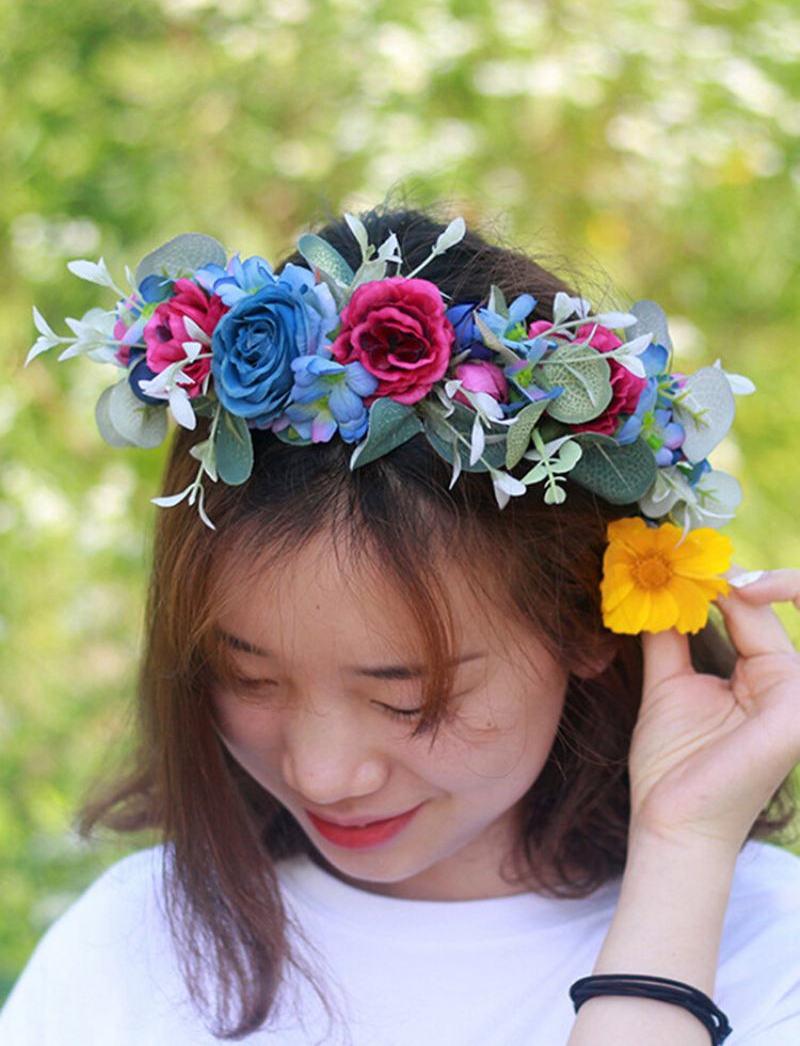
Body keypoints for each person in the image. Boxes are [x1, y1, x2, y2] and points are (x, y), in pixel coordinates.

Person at [3, 206, 800, 1045]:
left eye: (407, 698)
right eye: (249, 677)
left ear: (586, 619)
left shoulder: (765, 943)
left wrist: (681, 858)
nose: (323, 773)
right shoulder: (132, 953)